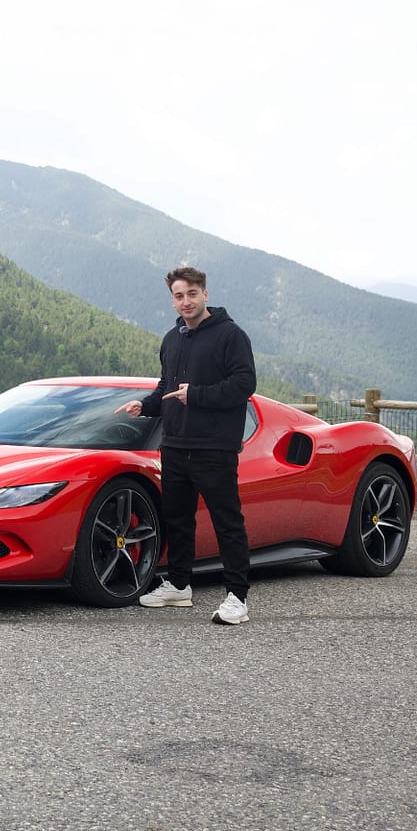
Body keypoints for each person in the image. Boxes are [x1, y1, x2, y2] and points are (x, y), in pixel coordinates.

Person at [116, 266, 257, 625]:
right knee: (177, 520)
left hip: (215, 447)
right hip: (175, 446)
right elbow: (167, 387)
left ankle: (237, 597)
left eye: (192, 294)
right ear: (173, 300)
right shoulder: (171, 339)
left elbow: (244, 385)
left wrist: (197, 395)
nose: (186, 301)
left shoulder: (231, 335)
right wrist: (145, 406)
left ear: (205, 294)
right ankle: (179, 586)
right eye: (179, 296)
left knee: (227, 522)